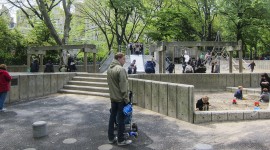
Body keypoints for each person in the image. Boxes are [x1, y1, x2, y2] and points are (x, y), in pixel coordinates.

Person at [107, 52, 132, 145]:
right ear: (119, 59)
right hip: (120, 99)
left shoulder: (109, 69)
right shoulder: (120, 69)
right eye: (124, 59)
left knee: (112, 118)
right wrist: (126, 99)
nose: (125, 61)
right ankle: (121, 140)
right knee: (121, 120)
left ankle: (111, 138)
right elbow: (123, 86)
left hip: (113, 98)